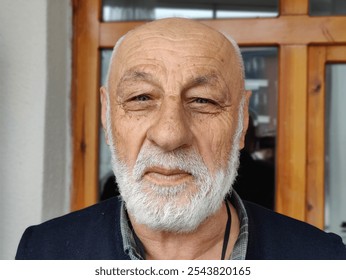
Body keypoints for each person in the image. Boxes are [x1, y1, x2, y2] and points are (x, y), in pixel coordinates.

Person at [16, 18, 346, 260]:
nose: (170, 135)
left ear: (242, 121)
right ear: (106, 115)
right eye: (141, 98)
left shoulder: (320, 259)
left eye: (203, 100)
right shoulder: (45, 253)